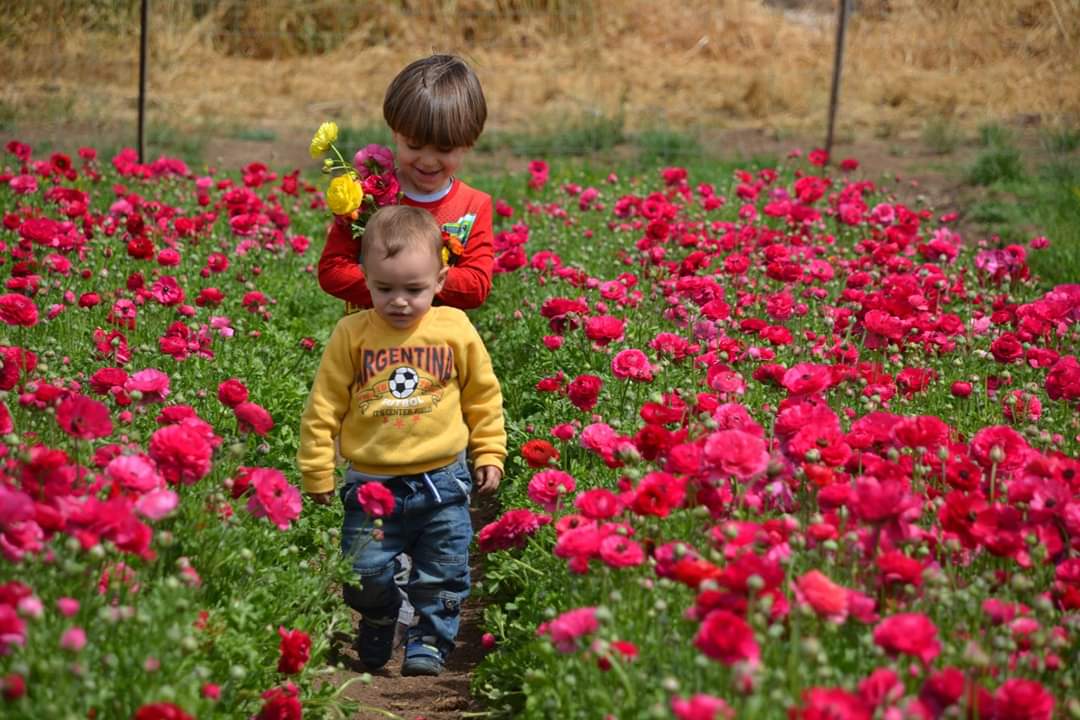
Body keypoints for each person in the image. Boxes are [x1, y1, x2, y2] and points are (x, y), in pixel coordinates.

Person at [298, 205, 506, 677]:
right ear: (365, 279)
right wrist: (317, 468)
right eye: (383, 288)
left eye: (414, 289)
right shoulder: (352, 334)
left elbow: (483, 397)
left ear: (440, 280)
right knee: (363, 573)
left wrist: (489, 450)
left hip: (443, 481)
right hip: (372, 484)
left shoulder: (454, 329)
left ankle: (429, 639)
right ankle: (378, 614)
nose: (398, 301)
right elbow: (324, 406)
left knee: (445, 568)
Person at [318, 53, 494, 315]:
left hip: (437, 349)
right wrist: (388, 285)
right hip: (369, 342)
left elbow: (477, 286)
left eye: (444, 149)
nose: (428, 160)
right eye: (413, 145)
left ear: (469, 143)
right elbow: (332, 271)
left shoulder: (473, 206)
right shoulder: (367, 197)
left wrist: (420, 280)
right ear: (395, 132)